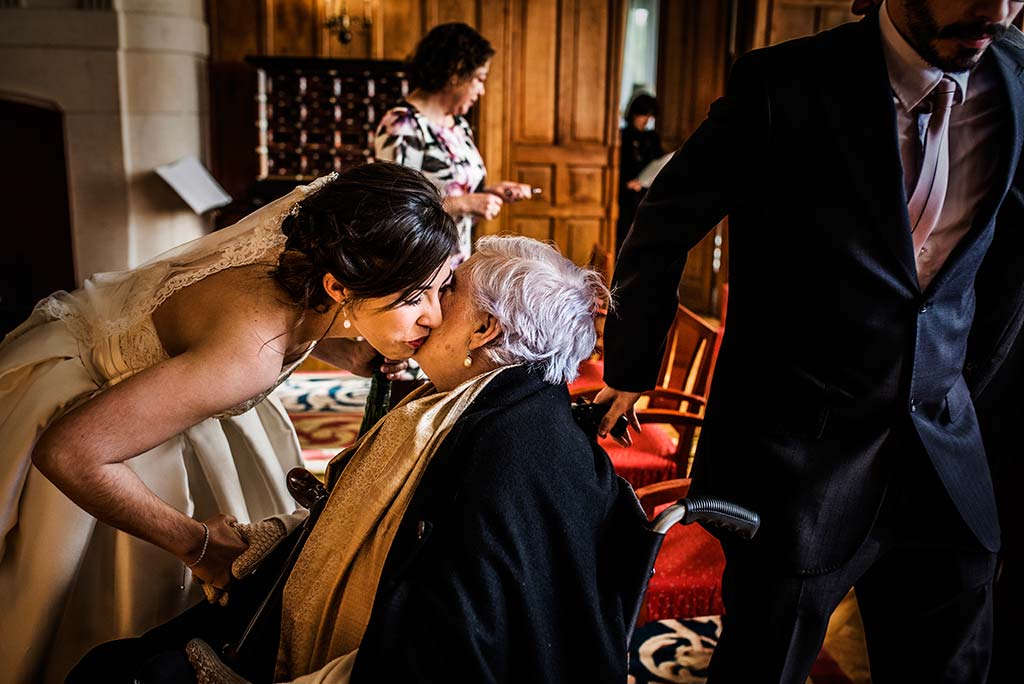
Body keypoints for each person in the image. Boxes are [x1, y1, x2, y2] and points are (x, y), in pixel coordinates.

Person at [595, 1, 1024, 682]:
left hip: (945, 459)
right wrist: (632, 361)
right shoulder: (782, 84)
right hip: (800, 465)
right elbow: (665, 220)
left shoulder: (1017, 82)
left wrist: (964, 387)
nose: (996, 11)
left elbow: (1009, 261)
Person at [70, 235, 645, 684]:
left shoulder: (512, 450)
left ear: (485, 329)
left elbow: (449, 649)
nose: (430, 309)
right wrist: (278, 538)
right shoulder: (484, 401)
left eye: (448, 292)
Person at [0, 162, 459, 683]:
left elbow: (301, 316)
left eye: (439, 288)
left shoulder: (307, 254)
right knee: (98, 613)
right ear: (339, 288)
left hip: (175, 380)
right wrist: (198, 546)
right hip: (97, 422)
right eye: (411, 298)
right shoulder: (246, 356)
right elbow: (67, 454)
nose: (435, 317)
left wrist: (347, 353)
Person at [374, 22, 534, 259]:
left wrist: (491, 194)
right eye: (479, 79)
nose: (482, 91)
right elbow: (396, 209)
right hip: (419, 262)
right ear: (456, 72)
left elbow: (451, 190)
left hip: (456, 258)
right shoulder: (402, 124)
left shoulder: (458, 125)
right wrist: (467, 203)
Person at [616, 92, 663, 253]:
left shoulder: (652, 138)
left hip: (647, 194)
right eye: (644, 114)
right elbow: (616, 167)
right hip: (627, 197)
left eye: (650, 116)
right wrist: (627, 183)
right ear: (634, 113)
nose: (646, 120)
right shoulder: (622, 136)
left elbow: (658, 163)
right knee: (625, 239)